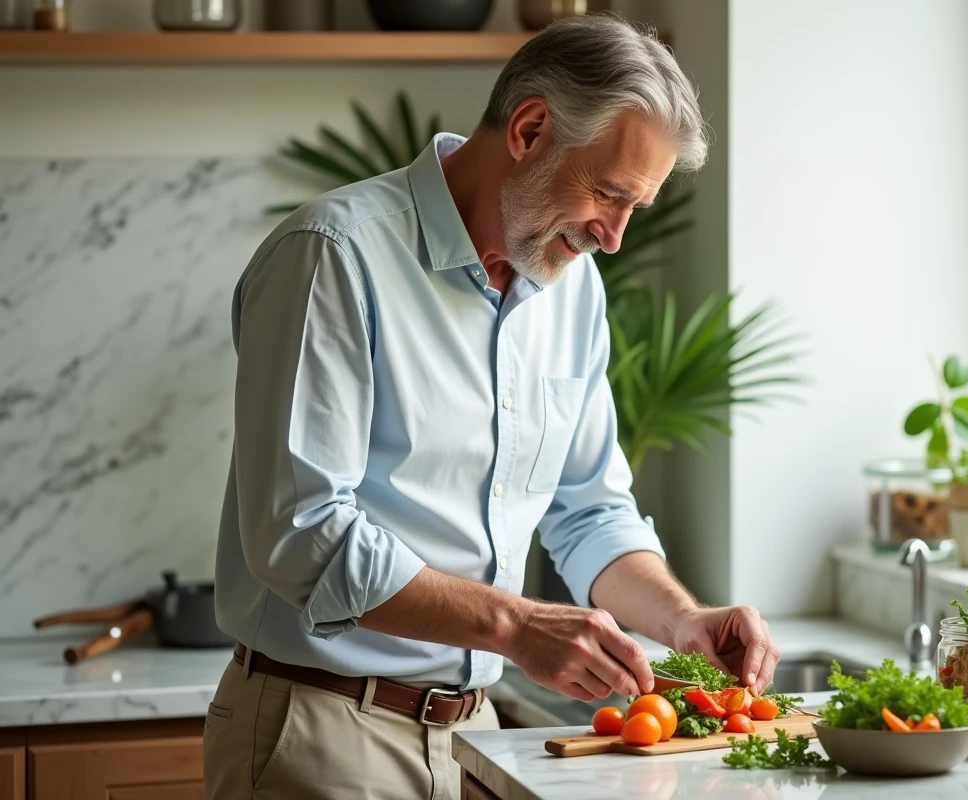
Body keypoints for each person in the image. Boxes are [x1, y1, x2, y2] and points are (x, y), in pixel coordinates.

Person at [202, 14, 780, 800]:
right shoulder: (335, 256)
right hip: (324, 731)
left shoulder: (572, 292)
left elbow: (589, 512)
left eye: (633, 209)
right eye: (609, 194)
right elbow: (301, 534)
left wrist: (682, 620)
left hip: (476, 738)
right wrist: (516, 626)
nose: (613, 238)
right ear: (531, 129)